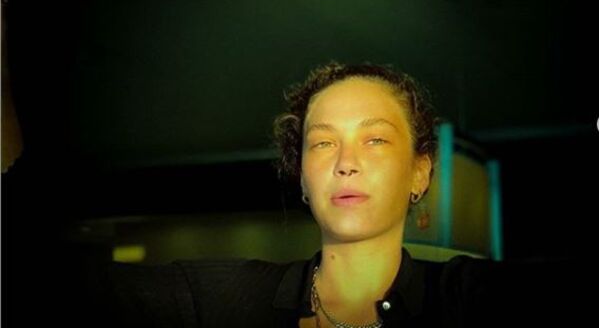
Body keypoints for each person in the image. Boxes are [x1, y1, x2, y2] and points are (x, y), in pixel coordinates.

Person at [77, 61, 579, 328]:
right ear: (301, 176)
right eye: (322, 143)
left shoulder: (477, 301)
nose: (346, 161)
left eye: (375, 139)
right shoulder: (215, 301)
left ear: (419, 173)